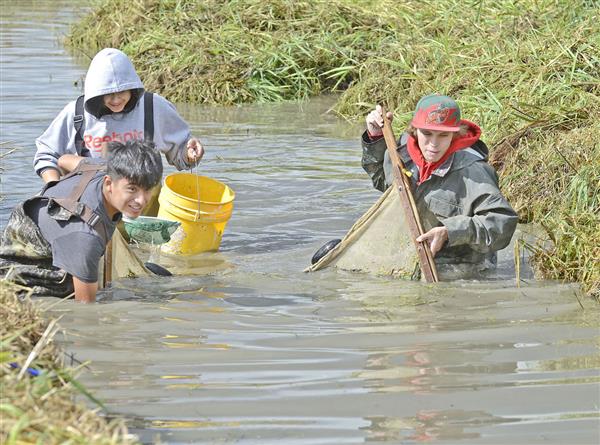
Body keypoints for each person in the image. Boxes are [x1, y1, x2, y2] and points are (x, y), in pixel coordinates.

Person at [361, 94, 518, 278]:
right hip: (412, 256)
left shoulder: (474, 172)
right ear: (414, 130)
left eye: (443, 135)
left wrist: (450, 231)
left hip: (462, 266)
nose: (433, 145)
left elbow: (503, 223)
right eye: (427, 134)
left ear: (456, 134)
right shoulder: (400, 154)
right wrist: (375, 137)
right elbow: (383, 181)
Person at [1, 140, 163, 303]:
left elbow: (63, 160)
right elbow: (85, 312)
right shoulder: (84, 237)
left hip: (41, 239)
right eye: (132, 189)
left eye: (148, 189)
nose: (141, 200)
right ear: (109, 183)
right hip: (18, 279)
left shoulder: (99, 166)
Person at [34, 48, 204, 183]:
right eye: (108, 93)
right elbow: (47, 154)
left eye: (122, 91)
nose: (115, 100)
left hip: (144, 199)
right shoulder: (76, 113)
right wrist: (52, 186)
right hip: (92, 200)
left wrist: (189, 152)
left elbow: (181, 151)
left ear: (132, 87)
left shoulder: (153, 107)